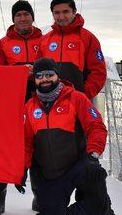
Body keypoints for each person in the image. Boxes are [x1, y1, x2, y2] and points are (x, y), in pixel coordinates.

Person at [19, 58, 112, 215]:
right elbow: (27, 142)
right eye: (39, 76)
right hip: (51, 174)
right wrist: (21, 168)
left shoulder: (76, 98)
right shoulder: (29, 107)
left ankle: (103, 210)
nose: (44, 79)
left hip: (78, 164)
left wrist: (94, 153)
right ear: (34, 79)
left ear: (57, 76)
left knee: (95, 175)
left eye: (49, 74)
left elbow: (96, 126)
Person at [0, 0, 42, 215]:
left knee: (40, 144)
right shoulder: (3, 43)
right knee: (4, 144)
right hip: (12, 99)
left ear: (32, 17)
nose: (22, 18)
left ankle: (40, 196)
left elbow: (51, 67)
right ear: (13, 18)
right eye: (18, 15)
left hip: (40, 98)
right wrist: (19, 71)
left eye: (26, 14)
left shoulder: (45, 40)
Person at [38, 0, 106, 101]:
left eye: (65, 12)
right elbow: (38, 72)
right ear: (52, 14)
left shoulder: (88, 38)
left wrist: (83, 95)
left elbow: (98, 72)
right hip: (49, 103)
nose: (61, 17)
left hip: (77, 102)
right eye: (57, 13)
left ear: (74, 12)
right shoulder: (44, 40)